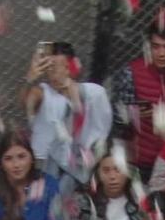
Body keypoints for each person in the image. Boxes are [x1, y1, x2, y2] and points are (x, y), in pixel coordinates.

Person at [110, 21, 165, 176]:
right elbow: (117, 118)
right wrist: (133, 114)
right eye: (155, 46)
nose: (161, 53)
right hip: (140, 160)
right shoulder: (131, 73)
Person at [26, 43, 112, 184]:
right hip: (52, 168)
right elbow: (27, 102)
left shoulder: (95, 94)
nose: (51, 70)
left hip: (91, 164)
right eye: (48, 65)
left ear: (70, 66)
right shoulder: (42, 93)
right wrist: (29, 79)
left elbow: (103, 130)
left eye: (56, 65)